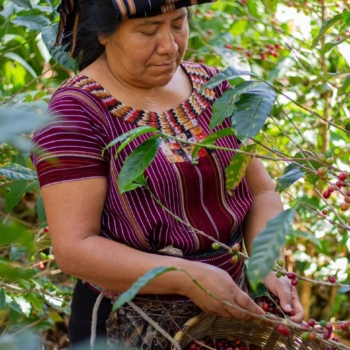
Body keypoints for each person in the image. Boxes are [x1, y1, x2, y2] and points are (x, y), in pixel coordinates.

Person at [31, 0, 304, 348]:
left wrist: (269, 267)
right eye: (148, 31)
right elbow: (74, 247)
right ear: (103, 33)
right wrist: (187, 277)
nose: (170, 46)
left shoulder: (214, 87)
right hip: (127, 321)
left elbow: (261, 191)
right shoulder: (75, 114)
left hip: (230, 308)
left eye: (178, 23)